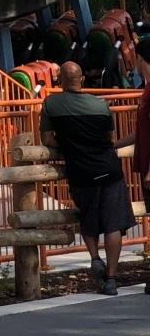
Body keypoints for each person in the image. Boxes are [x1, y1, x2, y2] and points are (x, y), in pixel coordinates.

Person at [41, 58, 135, 294]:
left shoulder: (51, 103)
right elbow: (109, 136)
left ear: (60, 81)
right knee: (113, 225)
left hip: (81, 171)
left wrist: (68, 145)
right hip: (109, 168)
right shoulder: (100, 105)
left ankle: (94, 257)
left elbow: (47, 139)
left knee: (88, 218)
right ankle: (111, 278)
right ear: (81, 79)